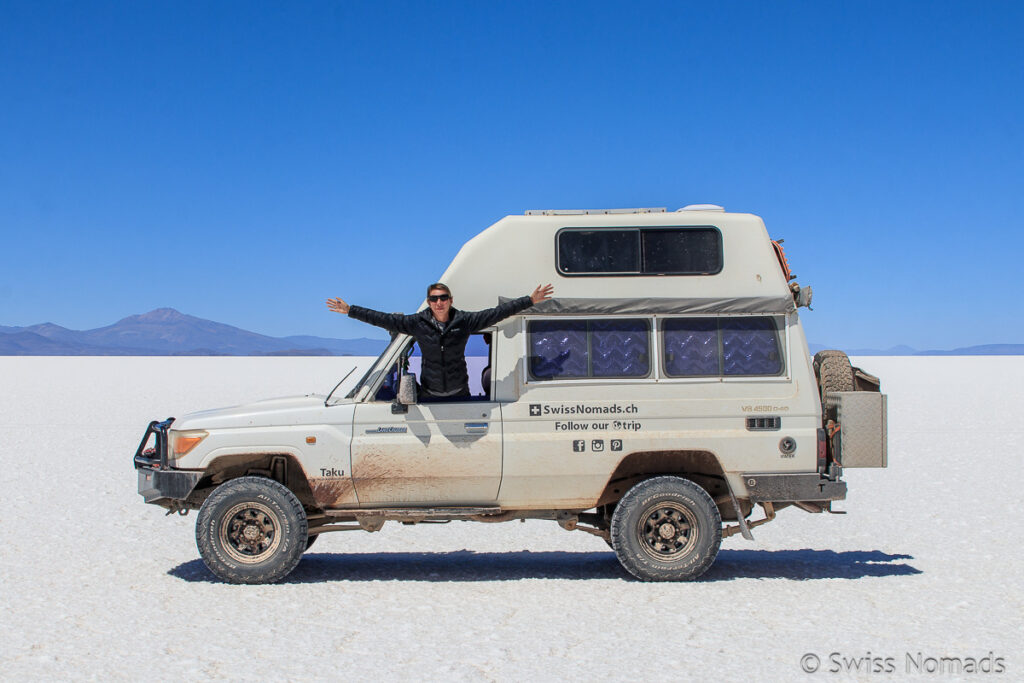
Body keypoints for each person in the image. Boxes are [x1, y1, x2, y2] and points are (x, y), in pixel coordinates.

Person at [327, 283, 554, 401]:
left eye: (443, 298)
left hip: (459, 394)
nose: (439, 302)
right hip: (430, 396)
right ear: (429, 302)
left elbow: (498, 313)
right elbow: (383, 319)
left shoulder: (464, 321)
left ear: (450, 300)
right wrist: (350, 310)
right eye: (434, 299)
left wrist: (530, 300)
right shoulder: (417, 323)